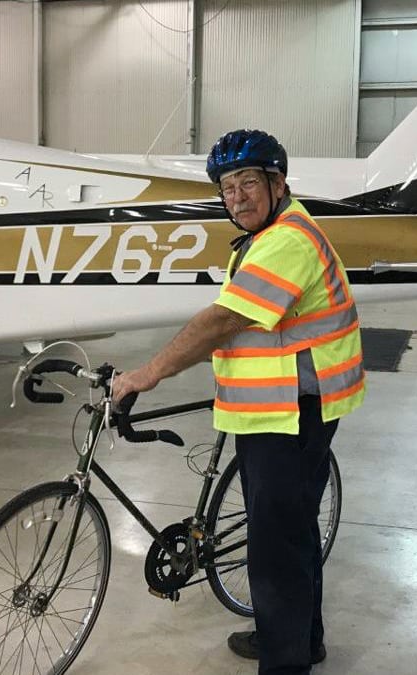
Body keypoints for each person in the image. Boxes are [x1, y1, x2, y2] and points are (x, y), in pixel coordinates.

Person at [111, 129, 365, 674]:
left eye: (249, 182)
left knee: (275, 550)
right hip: (279, 409)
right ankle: (301, 639)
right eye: (227, 188)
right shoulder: (268, 235)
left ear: (278, 183)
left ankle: (285, 663)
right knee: (292, 534)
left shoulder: (288, 241)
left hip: (290, 416)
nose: (238, 197)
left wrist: (148, 374)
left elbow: (224, 319)